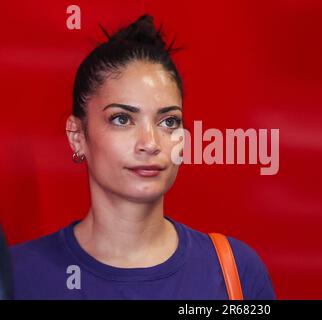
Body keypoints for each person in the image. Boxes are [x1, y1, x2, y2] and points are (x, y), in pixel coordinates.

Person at [10, 14, 276, 300]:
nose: (150, 143)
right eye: (122, 119)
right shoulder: (17, 276)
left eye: (168, 121)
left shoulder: (235, 271)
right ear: (77, 136)